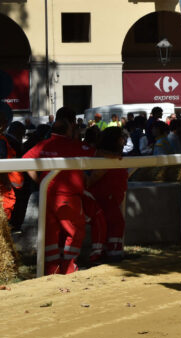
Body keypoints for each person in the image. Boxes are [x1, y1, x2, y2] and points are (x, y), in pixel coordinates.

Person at [23, 107, 96, 275]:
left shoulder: (43, 144)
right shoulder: (75, 146)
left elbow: (26, 161)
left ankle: (51, 269)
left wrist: (42, 182)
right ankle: (69, 267)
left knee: (51, 233)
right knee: (76, 230)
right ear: (71, 127)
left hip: (47, 196)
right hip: (68, 197)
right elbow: (98, 155)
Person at [87, 127, 128, 262]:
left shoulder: (112, 157)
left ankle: (107, 252)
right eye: (122, 137)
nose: (124, 140)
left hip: (111, 198)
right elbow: (94, 177)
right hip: (105, 198)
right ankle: (111, 254)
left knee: (113, 223)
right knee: (116, 223)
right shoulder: (102, 157)